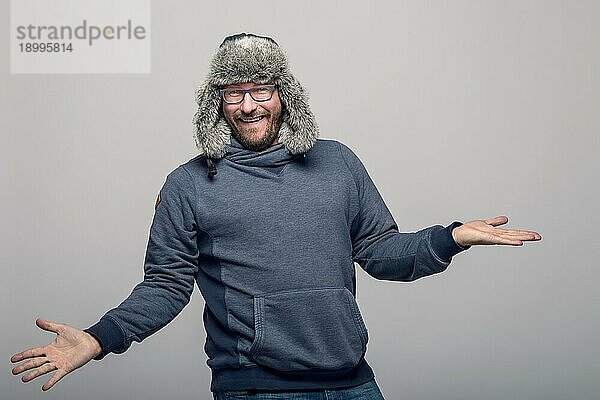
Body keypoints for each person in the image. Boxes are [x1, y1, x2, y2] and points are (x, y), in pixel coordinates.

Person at [11, 33, 542, 399]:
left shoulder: (337, 161)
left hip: (352, 381)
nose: (248, 105)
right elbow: (166, 287)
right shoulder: (188, 184)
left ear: (283, 95)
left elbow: (380, 252)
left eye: (260, 89)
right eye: (234, 93)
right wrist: (99, 338)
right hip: (253, 388)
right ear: (216, 103)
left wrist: (450, 237)